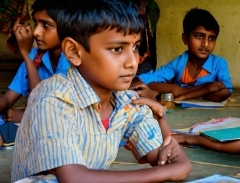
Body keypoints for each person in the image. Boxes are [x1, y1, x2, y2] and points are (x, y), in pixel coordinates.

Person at [11, 0, 191, 182]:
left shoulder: (128, 103)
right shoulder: (52, 98)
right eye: (117, 49)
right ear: (74, 52)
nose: (133, 62)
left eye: (135, 48)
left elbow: (164, 158)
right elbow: (74, 178)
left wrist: (172, 150)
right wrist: (169, 171)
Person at [0, 0, 70, 146]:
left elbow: (43, 103)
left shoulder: (72, 60)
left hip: (62, 127)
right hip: (37, 122)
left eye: (46, 25)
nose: (36, 32)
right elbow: (8, 99)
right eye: (36, 23)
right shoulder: (36, 55)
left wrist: (24, 115)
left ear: (67, 28)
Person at [135, 7, 232, 102]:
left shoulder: (219, 63)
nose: (205, 44)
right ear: (185, 38)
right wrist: (206, 89)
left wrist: (182, 95)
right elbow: (146, 80)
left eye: (211, 38)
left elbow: (224, 92)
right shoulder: (178, 63)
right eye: (199, 36)